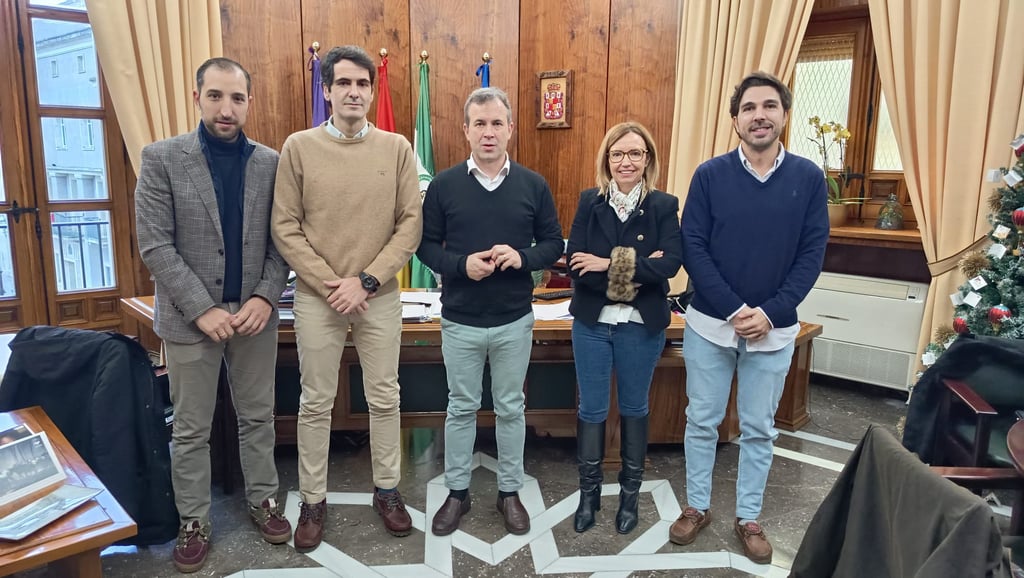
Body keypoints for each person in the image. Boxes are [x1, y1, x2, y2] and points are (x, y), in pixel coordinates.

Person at [135, 57, 291, 573]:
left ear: (250, 101)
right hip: (188, 320)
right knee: (190, 430)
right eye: (216, 96)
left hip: (253, 315)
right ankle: (194, 521)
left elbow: (282, 241)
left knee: (257, 419)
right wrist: (201, 308)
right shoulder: (161, 158)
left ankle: (264, 499)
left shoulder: (272, 162)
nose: (227, 108)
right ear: (197, 97)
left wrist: (265, 297)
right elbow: (155, 245)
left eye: (238, 98)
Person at [671, 71, 829, 564]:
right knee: (702, 421)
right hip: (710, 324)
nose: (759, 115)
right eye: (748, 108)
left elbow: (812, 253)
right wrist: (736, 308)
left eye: (769, 106)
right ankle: (697, 507)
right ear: (735, 119)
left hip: (775, 329)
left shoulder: (808, 177)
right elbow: (692, 246)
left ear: (783, 115)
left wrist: (770, 312)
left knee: (759, 427)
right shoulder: (709, 175)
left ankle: (749, 517)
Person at [271, 45, 422, 551]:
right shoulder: (298, 147)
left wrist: (368, 281)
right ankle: (312, 498)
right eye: (344, 84)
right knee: (315, 401)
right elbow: (285, 227)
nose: (354, 92)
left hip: (377, 295)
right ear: (327, 90)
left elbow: (410, 225)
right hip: (319, 296)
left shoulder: (397, 147)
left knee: (384, 396)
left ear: (371, 90)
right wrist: (331, 283)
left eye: (363, 84)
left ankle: (387, 490)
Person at [417, 87, 563, 537]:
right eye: (479, 123)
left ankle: (509, 491)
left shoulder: (533, 185)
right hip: (460, 319)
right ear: (465, 130)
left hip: (513, 320)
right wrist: (461, 266)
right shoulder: (443, 186)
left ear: (510, 129)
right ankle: (457, 493)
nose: (488, 132)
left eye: (497, 123)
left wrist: (522, 258)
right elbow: (423, 247)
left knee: (510, 408)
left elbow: (554, 244)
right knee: (460, 408)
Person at [565, 122, 682, 535]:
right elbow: (576, 264)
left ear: (647, 159)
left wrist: (607, 263)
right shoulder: (589, 202)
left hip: (639, 327)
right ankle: (589, 497)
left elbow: (669, 266)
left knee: (634, 409)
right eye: (618, 154)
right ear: (606, 160)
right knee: (592, 410)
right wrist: (636, 265)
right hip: (592, 325)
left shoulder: (664, 206)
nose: (626, 162)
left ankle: (629, 497)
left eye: (635, 153)